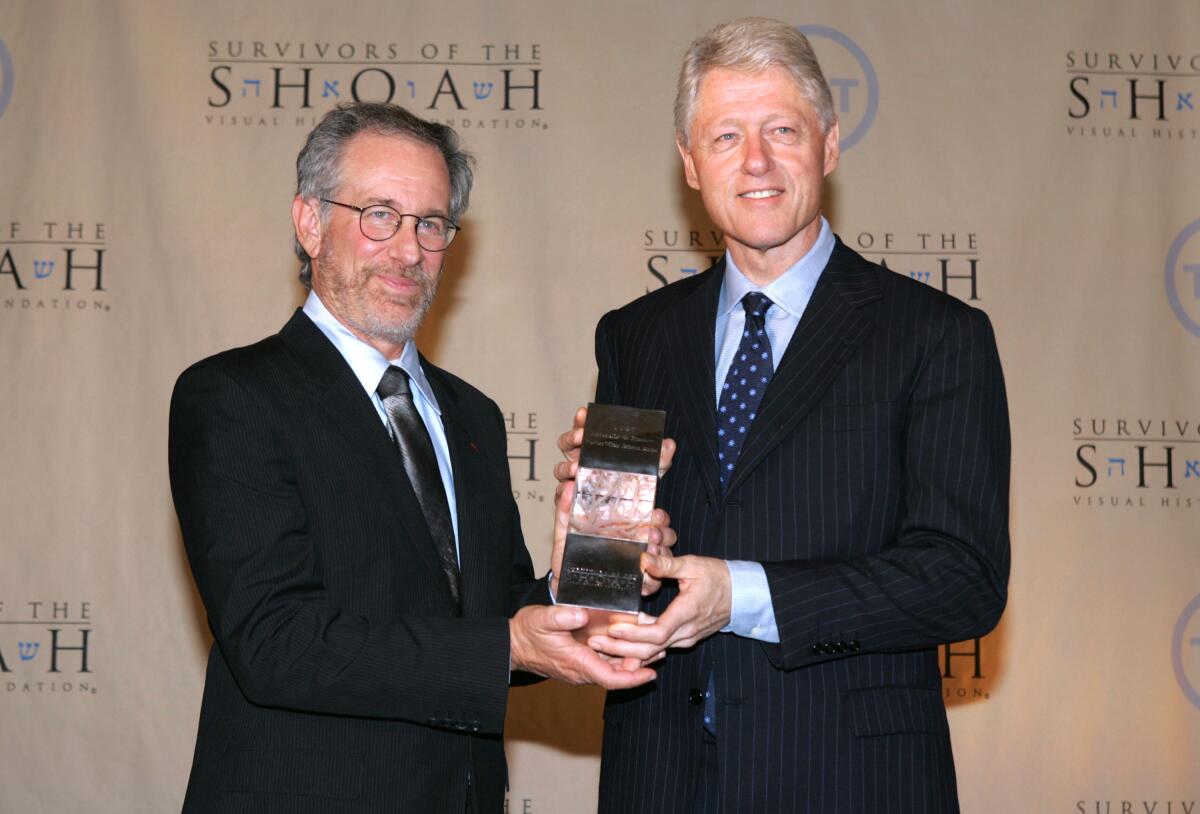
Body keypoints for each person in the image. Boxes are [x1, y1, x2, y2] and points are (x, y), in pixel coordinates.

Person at [556, 18, 1011, 813]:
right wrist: (598, 560)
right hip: (659, 776)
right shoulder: (634, 335)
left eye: (782, 130)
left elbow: (962, 581)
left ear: (829, 147)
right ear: (691, 165)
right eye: (726, 136)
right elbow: (610, 578)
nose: (756, 161)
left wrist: (742, 595)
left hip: (850, 780)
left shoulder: (936, 335)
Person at [168, 102, 669, 814]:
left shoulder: (472, 415)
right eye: (379, 214)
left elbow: (488, 619)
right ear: (310, 222)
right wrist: (508, 648)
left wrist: (584, 580)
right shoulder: (233, 398)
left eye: (430, 224)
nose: (409, 251)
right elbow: (277, 643)